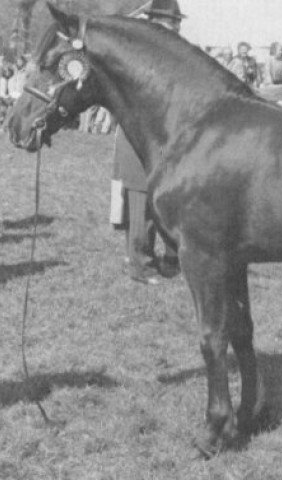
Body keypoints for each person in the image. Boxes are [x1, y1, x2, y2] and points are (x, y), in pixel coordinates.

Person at [111, 0, 185, 285]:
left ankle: (168, 258)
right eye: (169, 21)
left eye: (176, 22)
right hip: (139, 137)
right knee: (140, 202)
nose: (175, 27)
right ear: (153, 21)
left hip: (166, 139)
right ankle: (139, 263)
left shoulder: (173, 54)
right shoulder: (138, 54)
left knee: (166, 202)